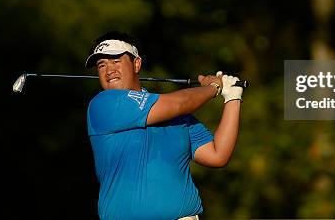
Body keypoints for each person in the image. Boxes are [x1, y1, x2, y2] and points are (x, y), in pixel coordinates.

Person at [85, 31, 243, 220]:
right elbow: (178, 103)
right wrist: (212, 88)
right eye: (101, 65)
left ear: (136, 64)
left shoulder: (177, 116)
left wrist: (233, 97)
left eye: (116, 61)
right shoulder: (103, 104)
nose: (109, 70)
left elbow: (218, 155)